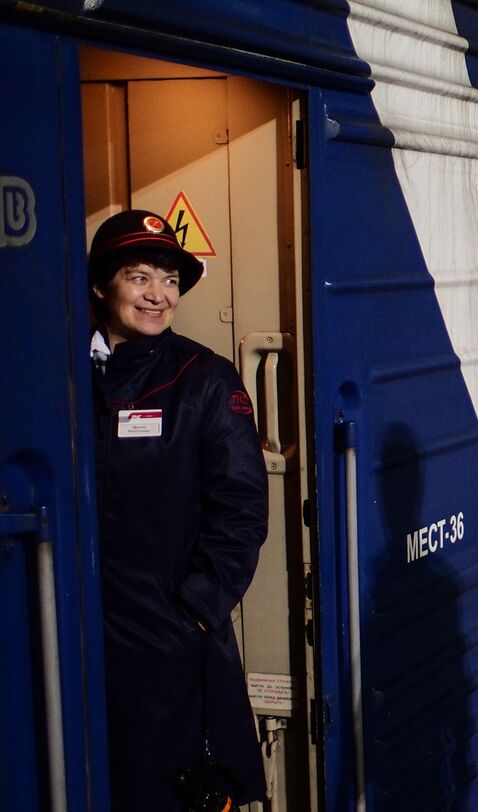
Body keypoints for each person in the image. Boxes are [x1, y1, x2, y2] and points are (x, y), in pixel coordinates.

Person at [89, 210, 268, 810]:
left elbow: (242, 510)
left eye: (169, 280)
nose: (158, 295)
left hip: (167, 645)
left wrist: (193, 610)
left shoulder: (205, 380)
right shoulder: (58, 377)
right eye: (140, 277)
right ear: (101, 284)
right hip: (78, 635)